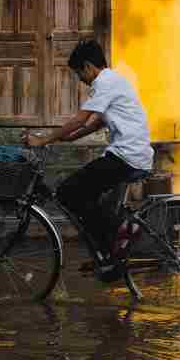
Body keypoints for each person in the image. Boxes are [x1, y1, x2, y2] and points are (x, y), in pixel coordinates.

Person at [26, 38, 153, 280]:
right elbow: (98, 121)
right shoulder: (115, 80)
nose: (81, 80)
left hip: (126, 155)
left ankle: (116, 240)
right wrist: (71, 138)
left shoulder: (104, 82)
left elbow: (80, 119)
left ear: (88, 66)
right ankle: (109, 248)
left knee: (68, 192)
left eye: (79, 74)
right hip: (132, 153)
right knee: (89, 196)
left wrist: (45, 140)